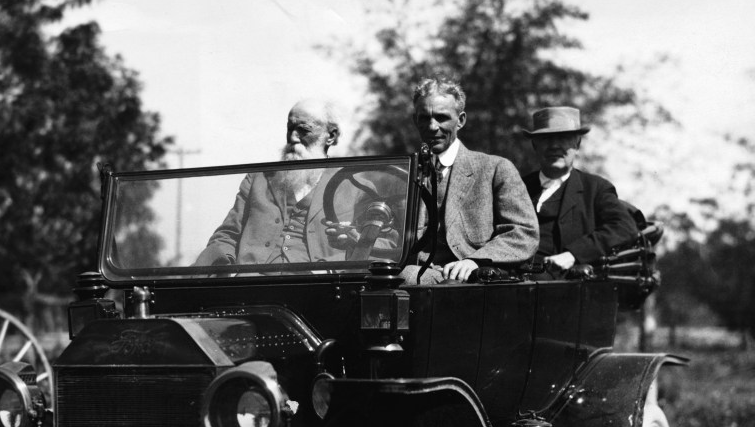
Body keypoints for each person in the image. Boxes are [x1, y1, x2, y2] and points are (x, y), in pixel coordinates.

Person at [194, 99, 393, 266]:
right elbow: (226, 236)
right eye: (289, 129)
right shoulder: (258, 179)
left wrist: (355, 244)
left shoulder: (356, 187)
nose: (292, 138)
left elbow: (388, 244)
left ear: (330, 136)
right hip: (252, 285)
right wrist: (226, 268)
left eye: (303, 130)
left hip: (317, 289)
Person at [403, 76, 538, 285]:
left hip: (475, 283)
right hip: (415, 275)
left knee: (408, 278)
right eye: (424, 118)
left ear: (461, 120)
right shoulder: (404, 174)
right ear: (415, 121)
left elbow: (523, 233)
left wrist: (476, 261)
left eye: (441, 117)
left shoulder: (495, 169)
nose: (432, 126)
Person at [519, 106, 637, 276]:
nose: (554, 146)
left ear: (577, 144)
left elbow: (624, 227)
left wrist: (573, 254)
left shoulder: (595, 189)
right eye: (546, 139)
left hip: (571, 289)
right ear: (534, 145)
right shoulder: (516, 187)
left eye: (563, 138)